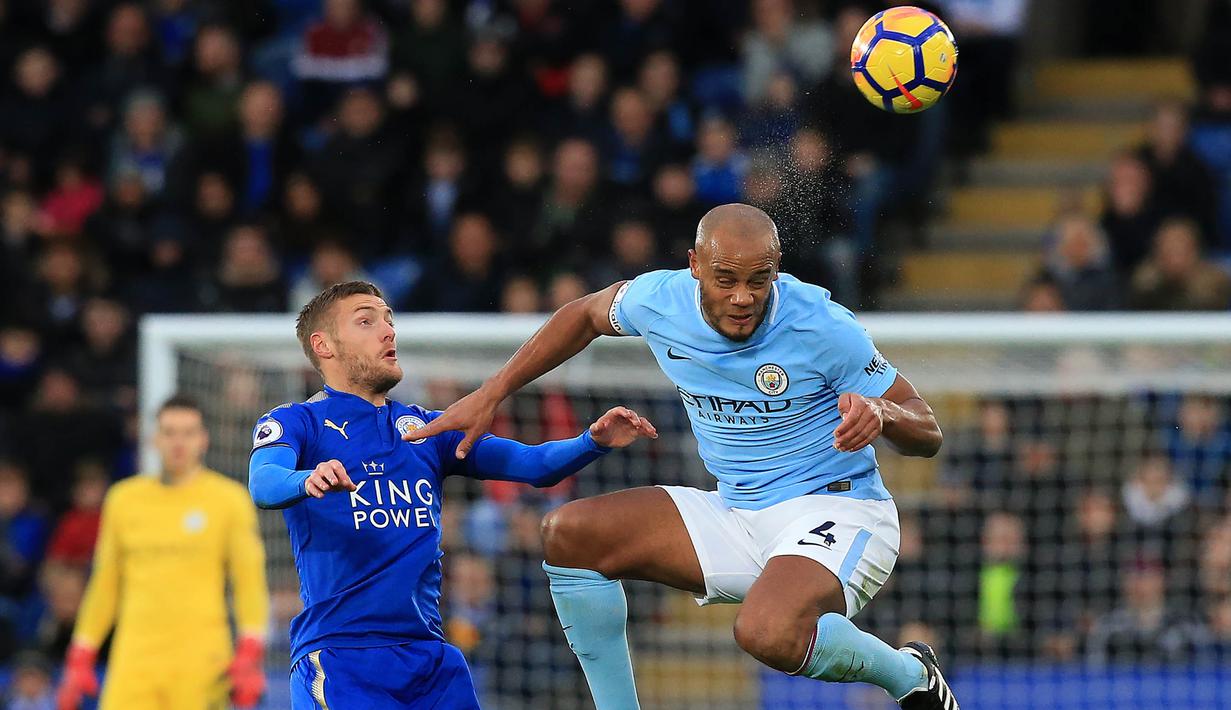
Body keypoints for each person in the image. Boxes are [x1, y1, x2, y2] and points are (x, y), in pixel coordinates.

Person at [411, 204, 957, 709]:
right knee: (569, 534)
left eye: (757, 280)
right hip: (736, 510)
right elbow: (582, 316)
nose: (743, 296)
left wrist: (885, 416)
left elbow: (926, 428)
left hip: (836, 510)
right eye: (726, 280)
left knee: (765, 632)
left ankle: (910, 676)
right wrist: (493, 391)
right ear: (694, 265)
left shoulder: (822, 324)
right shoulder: (659, 299)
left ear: (776, 270)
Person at [246, 281, 656, 709]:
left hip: (431, 664)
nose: (387, 331)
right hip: (344, 658)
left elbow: (534, 466)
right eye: (366, 321)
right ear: (324, 346)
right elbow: (265, 481)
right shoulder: (298, 422)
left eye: (388, 319)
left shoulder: (427, 428)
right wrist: (305, 479)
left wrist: (591, 441)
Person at [56, 396, 270, 710]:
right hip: (134, 659)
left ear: (204, 439)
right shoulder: (123, 500)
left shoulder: (229, 500)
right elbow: (105, 584)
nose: (178, 442)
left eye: (188, 432)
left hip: (202, 661)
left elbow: (249, 582)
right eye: (169, 432)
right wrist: (81, 652)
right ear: (155, 438)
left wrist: (251, 651)